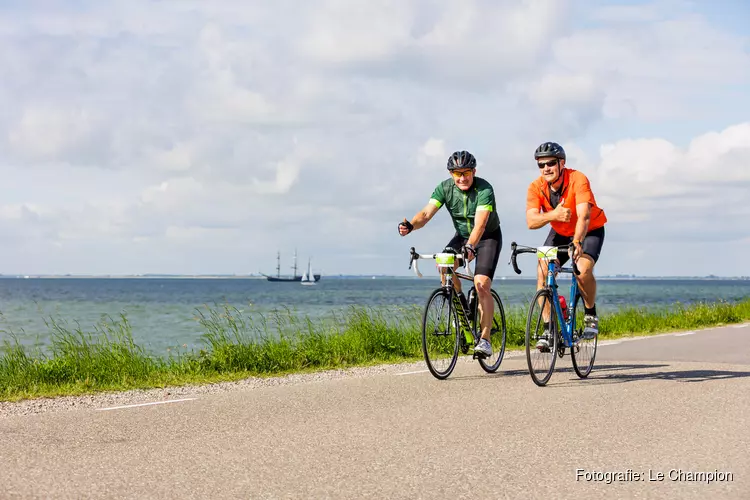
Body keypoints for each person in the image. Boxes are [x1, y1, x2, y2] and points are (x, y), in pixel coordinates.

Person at [398, 150, 502, 358]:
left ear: (474, 171)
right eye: (457, 174)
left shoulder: (484, 189)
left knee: (481, 284)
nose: (462, 178)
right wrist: (410, 225)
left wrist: (471, 246)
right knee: (445, 266)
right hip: (462, 236)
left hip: (487, 237)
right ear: (451, 174)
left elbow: (480, 224)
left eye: (466, 173)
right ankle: (461, 303)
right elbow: (426, 214)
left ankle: (485, 339)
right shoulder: (444, 188)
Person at [525, 141, 607, 350]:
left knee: (582, 270)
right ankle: (548, 329)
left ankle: (590, 312)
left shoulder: (577, 179)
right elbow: (531, 221)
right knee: (543, 271)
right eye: (541, 165)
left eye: (550, 163)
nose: (546, 169)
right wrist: (554, 215)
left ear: (562, 163)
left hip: (589, 229)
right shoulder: (536, 187)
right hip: (560, 231)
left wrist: (577, 241)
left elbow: (584, 215)